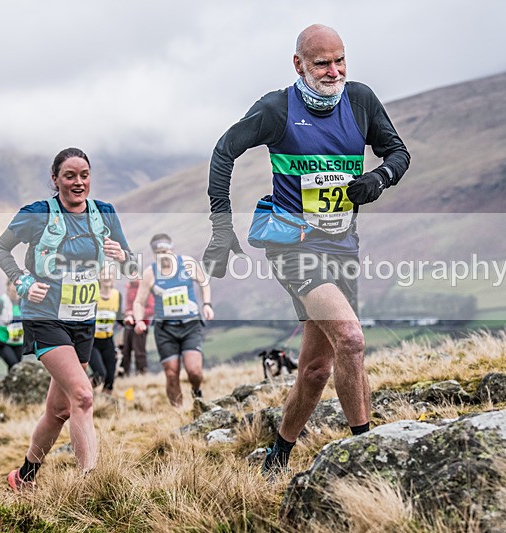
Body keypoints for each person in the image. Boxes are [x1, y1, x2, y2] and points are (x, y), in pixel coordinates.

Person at [203, 24, 410, 476]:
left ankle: (277, 455)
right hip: (292, 246)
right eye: (322, 64)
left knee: (316, 369)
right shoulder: (277, 109)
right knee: (351, 339)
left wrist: (378, 179)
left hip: (343, 247)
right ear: (299, 64)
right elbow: (224, 151)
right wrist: (221, 229)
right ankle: (366, 460)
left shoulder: (360, 100)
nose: (334, 72)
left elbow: (398, 153)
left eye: (340, 61)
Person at [0, 147, 133, 490]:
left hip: (82, 320)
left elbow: (131, 266)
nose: (78, 182)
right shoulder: (37, 214)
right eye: (69, 176)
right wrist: (23, 282)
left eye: (84, 175)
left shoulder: (104, 213)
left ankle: (23, 477)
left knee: (59, 410)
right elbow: (0, 249)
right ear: (55, 179)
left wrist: (121, 255)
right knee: (83, 396)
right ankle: (91, 486)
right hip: (45, 318)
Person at [133, 234, 213, 406]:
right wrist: (139, 321)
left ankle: (196, 390)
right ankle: (178, 411)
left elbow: (204, 282)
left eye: (166, 251)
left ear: (172, 249)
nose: (163, 255)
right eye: (158, 253)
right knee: (171, 373)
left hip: (190, 325)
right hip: (165, 329)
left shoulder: (187, 263)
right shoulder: (150, 273)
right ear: (154, 254)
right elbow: (139, 301)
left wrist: (206, 304)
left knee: (194, 371)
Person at [87, 269, 122, 393]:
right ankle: (80, 395)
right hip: (92, 342)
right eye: (104, 274)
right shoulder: (93, 294)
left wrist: (129, 319)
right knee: (100, 375)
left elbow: (119, 316)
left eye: (110, 274)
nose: (107, 277)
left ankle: (105, 402)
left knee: (110, 380)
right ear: (99, 277)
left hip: (108, 341)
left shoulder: (117, 295)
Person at [0, 278, 24, 370]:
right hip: (3, 341)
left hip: (18, 341)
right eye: (14, 285)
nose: (16, 288)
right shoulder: (1, 302)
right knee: (14, 366)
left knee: (16, 367)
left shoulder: (23, 302)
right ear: (8, 287)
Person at [120, 280, 153, 376]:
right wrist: (127, 315)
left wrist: (135, 314)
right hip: (129, 325)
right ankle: (124, 376)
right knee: (125, 352)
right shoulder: (129, 287)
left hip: (141, 325)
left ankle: (141, 375)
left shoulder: (145, 288)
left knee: (139, 352)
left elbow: (151, 309)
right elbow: (127, 307)